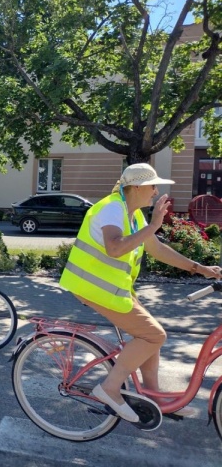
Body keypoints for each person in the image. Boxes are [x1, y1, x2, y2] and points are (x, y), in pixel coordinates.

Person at [59, 163, 222, 423]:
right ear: (136, 187)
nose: (156, 191)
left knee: (150, 335)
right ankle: (110, 388)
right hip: (95, 288)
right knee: (154, 335)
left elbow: (157, 249)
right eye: (152, 186)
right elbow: (115, 248)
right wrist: (155, 224)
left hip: (112, 288)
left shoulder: (133, 215)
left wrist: (199, 268)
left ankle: (153, 396)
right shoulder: (112, 208)